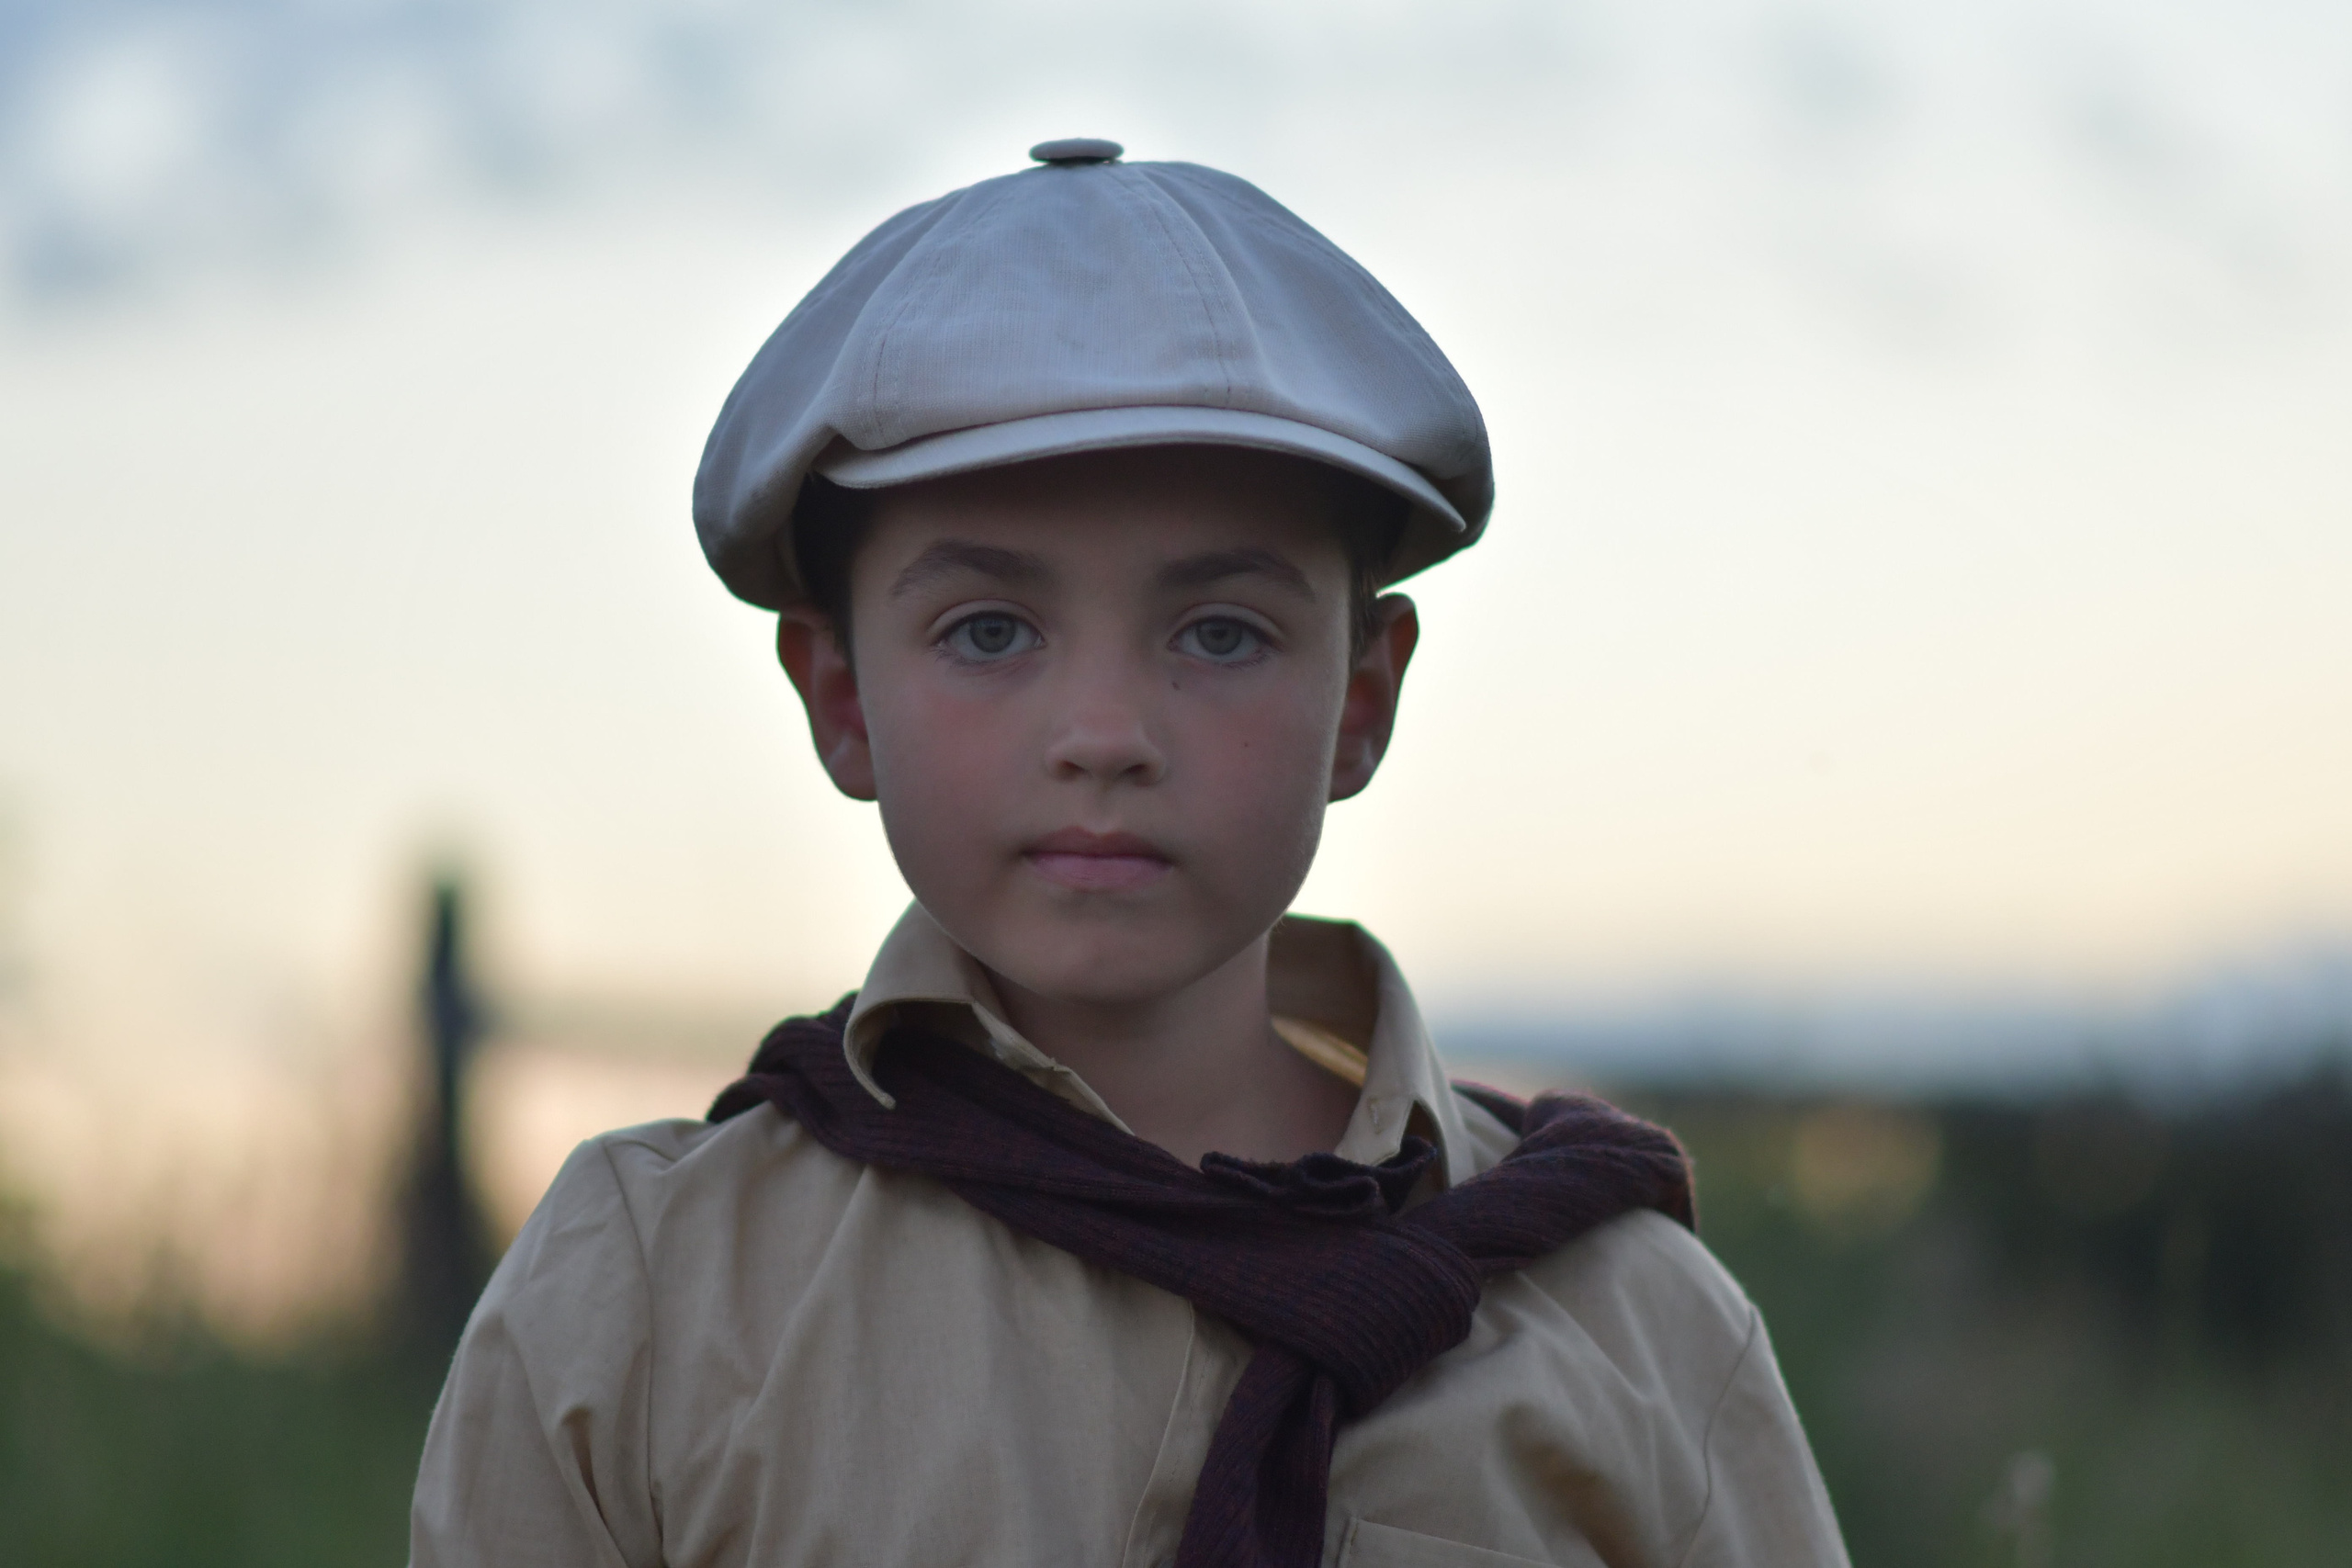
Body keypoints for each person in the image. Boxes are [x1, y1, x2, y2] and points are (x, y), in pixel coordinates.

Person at [409, 138, 1849, 1568]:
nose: (1104, 733)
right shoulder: (651, 1303)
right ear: (842, 699)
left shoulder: (1632, 1330)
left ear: (1362, 698)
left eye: (1220, 634)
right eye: (989, 631)